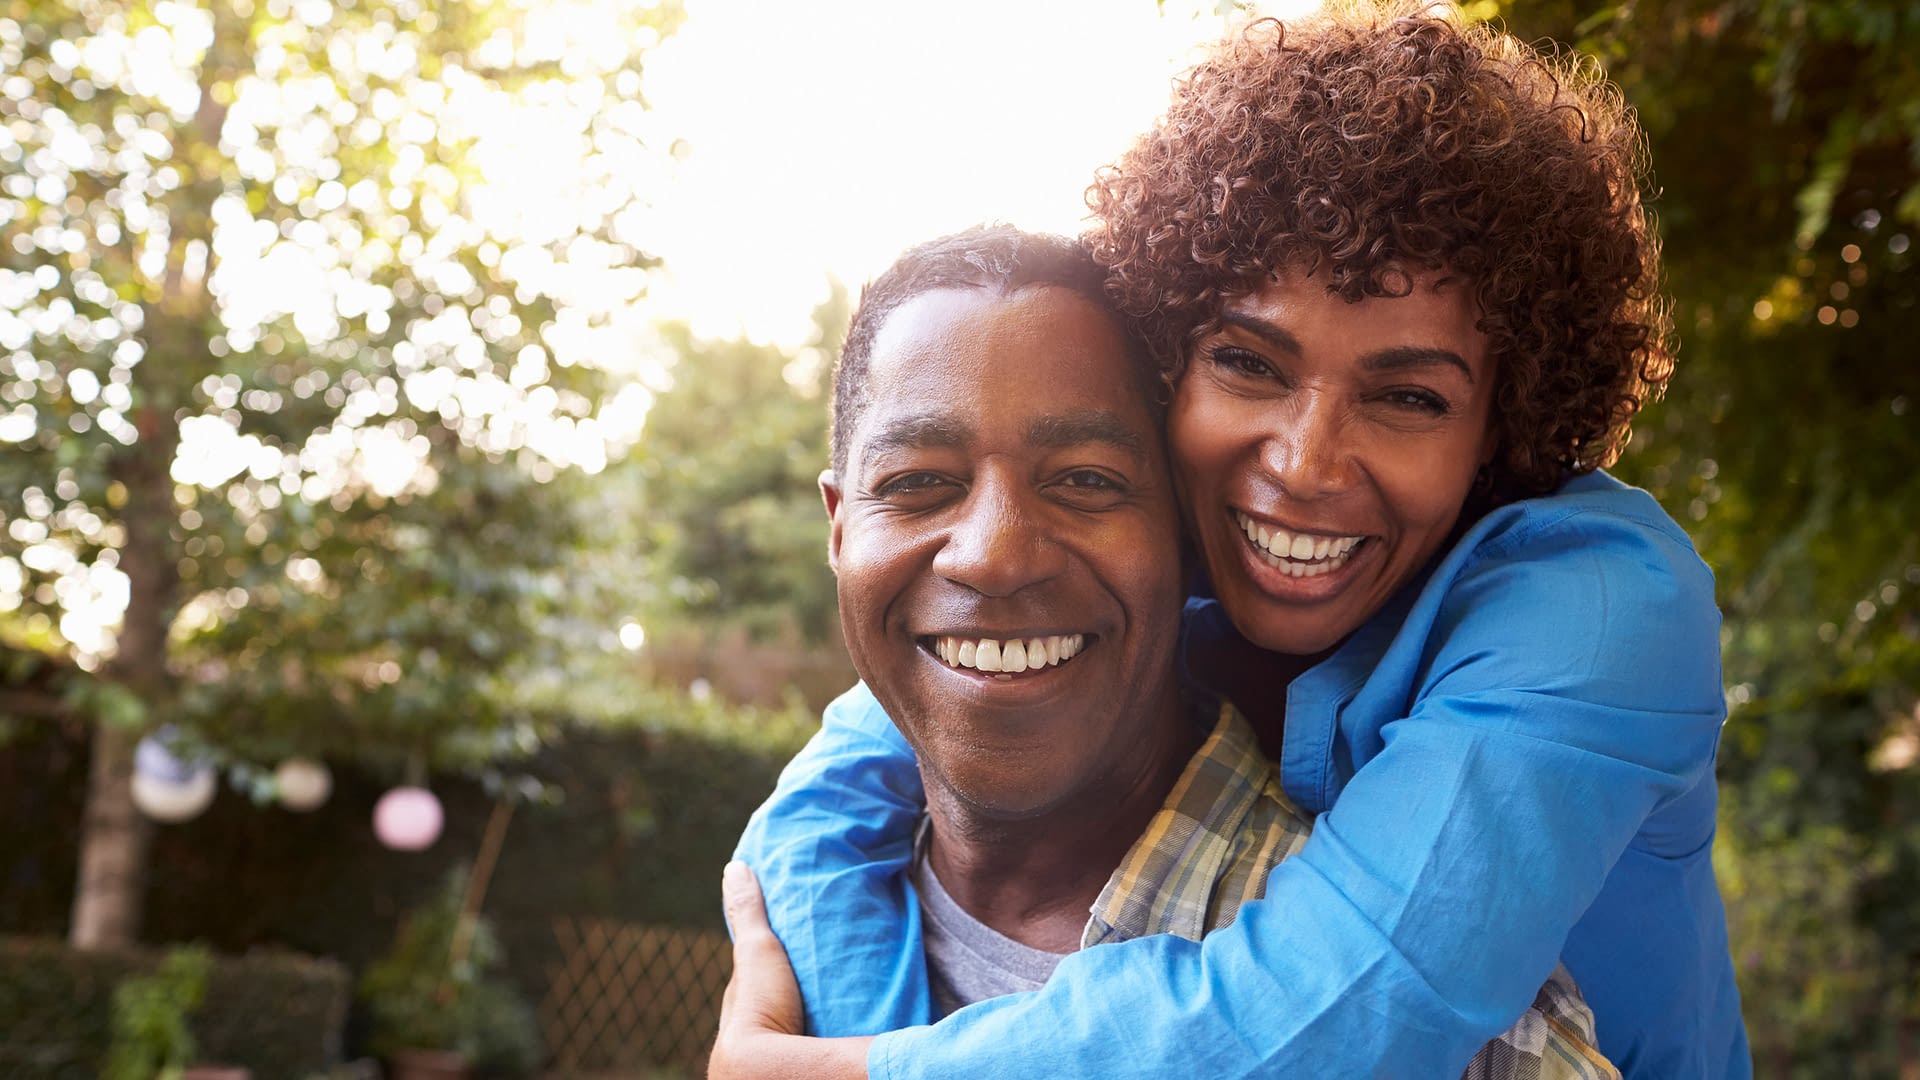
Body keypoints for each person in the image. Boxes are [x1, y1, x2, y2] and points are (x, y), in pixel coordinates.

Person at [721, 4, 1749, 1077]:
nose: (1305, 464)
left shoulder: (1599, 608)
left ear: (1504, 423)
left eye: (1406, 396)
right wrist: (835, 1013)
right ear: (1172, 364)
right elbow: (857, 769)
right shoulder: (1175, 536)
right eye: (1249, 364)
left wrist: (848, 1072)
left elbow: (1340, 1013)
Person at [728, 222, 1616, 1080]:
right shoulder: (792, 920)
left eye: (1085, 480)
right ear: (840, 532)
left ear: (1187, 535)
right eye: (919, 483)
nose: (993, 556)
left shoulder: (1452, 1039)